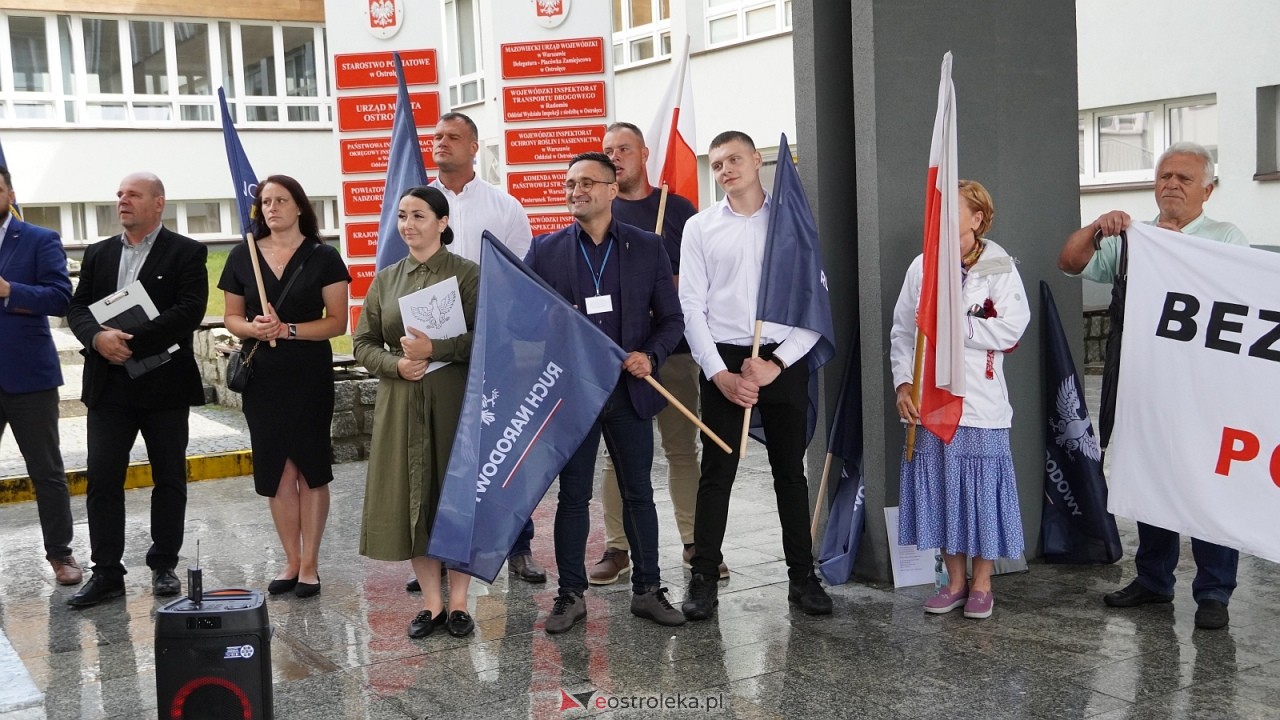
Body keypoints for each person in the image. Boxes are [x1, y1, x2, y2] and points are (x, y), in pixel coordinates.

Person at [1058, 141, 1247, 630]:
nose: (1171, 185)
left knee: (1206, 482)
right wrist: (1099, 227)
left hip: (1202, 383)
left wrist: (1171, 248)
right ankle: (1154, 580)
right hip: (1140, 376)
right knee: (1150, 473)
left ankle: (1213, 591)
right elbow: (1069, 262)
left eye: (1184, 178)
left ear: (1208, 189)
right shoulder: (1129, 236)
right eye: (1165, 176)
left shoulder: (1227, 238)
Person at [524, 152, 686, 633]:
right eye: (569, 183)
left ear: (612, 190)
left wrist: (651, 356)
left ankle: (648, 589)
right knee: (573, 497)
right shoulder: (545, 250)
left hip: (628, 392)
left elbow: (672, 320)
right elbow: (528, 322)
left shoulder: (647, 247)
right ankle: (570, 594)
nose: (576, 191)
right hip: (572, 395)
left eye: (587, 182)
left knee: (639, 492)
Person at [679, 131, 831, 620]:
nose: (726, 170)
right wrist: (718, 372)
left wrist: (775, 364)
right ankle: (703, 576)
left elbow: (813, 307)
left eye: (734, 159)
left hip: (780, 358)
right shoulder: (700, 228)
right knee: (716, 473)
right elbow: (692, 306)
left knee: (790, 473)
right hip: (722, 358)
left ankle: (802, 578)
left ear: (758, 160)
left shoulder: (792, 225)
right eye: (717, 163)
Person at [401, 111, 543, 589]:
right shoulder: (416, 204)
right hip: (433, 351)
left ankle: (517, 547)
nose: (441, 143)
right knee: (440, 449)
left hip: (491, 344)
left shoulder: (505, 207)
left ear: (474, 147)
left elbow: (522, 275)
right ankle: (435, 555)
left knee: (503, 443)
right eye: (436, 137)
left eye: (452, 137)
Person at [891, 179, 1030, 620]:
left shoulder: (999, 265)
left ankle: (983, 583)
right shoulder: (922, 266)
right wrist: (903, 385)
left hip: (981, 403)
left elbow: (1011, 328)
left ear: (978, 218)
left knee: (980, 492)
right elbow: (902, 332)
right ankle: (953, 582)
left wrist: (958, 329)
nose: (944, 221)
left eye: (955, 212)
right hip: (931, 401)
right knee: (942, 489)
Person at [66, 172, 207, 607]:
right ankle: (107, 571)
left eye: (133, 195)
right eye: (120, 194)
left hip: (164, 382)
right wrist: (96, 338)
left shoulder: (186, 251)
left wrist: (128, 340)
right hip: (109, 386)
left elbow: (189, 311)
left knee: (169, 477)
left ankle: (164, 563)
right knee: (103, 478)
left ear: (158, 203)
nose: (123, 201)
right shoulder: (99, 253)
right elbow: (78, 307)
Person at [587, 122, 716, 585]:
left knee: (682, 448)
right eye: (608, 150)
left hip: (672, 350)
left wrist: (667, 285)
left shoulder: (677, 209)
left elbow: (703, 278)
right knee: (616, 456)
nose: (616, 156)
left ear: (644, 153)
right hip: (620, 357)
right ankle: (617, 548)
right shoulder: (601, 210)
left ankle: (694, 541)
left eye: (624, 148)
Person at [354, 185, 478, 638]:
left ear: (442, 223)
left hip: (453, 398)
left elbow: (486, 337)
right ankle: (432, 604)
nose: (408, 224)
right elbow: (362, 343)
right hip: (401, 400)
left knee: (454, 495)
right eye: (403, 216)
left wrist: (436, 348)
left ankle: (460, 602)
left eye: (419, 216)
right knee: (414, 496)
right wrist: (397, 364)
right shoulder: (386, 278)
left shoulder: (468, 275)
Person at [218, 175, 351, 598]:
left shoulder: (323, 257)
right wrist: (254, 327)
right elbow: (231, 318)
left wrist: (288, 328)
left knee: (311, 467)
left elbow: (337, 322)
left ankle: (311, 563)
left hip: (307, 371)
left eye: (280, 200)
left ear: (299, 207)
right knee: (278, 470)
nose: (271, 208)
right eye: (265, 202)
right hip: (263, 375)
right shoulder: (243, 256)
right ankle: (290, 560)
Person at [0, 166, 80, 586]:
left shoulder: (38, 239)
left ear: (9, 192)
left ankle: (61, 554)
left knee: (46, 470)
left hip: (28, 375)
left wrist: (10, 290)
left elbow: (61, 297)